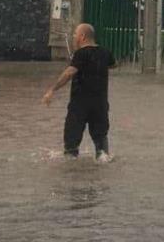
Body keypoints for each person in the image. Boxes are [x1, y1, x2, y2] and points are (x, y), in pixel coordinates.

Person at [42, 23, 116, 161]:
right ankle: (103, 163)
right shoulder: (105, 52)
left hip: (79, 105)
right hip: (100, 105)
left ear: (82, 36)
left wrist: (52, 90)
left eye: (75, 34)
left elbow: (69, 73)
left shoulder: (80, 54)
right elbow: (113, 65)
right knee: (101, 142)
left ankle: (71, 172)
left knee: (71, 144)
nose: (74, 37)